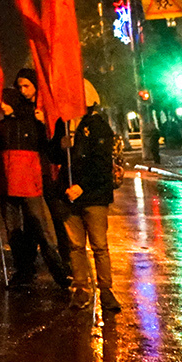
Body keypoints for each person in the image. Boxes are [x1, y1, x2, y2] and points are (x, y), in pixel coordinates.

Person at [0, 71, 72, 292]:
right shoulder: (5, 124)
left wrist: (46, 126)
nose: (22, 91)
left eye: (26, 86)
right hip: (14, 183)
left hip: (40, 180)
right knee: (20, 231)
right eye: (19, 87)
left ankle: (62, 270)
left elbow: (51, 147)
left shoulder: (38, 118)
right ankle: (25, 270)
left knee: (44, 226)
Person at [61, 81, 122, 314]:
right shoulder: (65, 126)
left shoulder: (97, 126)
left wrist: (81, 187)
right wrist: (60, 145)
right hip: (70, 196)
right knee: (75, 245)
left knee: (99, 246)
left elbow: (100, 165)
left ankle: (106, 290)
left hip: (93, 196)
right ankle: (81, 288)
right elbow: (57, 157)